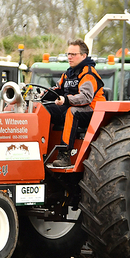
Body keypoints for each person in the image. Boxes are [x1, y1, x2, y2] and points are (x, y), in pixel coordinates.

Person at [43, 39, 106, 168]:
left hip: (92, 110)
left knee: (72, 112)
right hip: (73, 106)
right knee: (44, 109)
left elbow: (86, 97)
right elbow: (57, 89)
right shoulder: (68, 74)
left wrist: (66, 100)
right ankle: (42, 150)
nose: (69, 57)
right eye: (68, 54)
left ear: (84, 56)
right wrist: (41, 96)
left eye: (73, 54)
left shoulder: (88, 74)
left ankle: (65, 155)